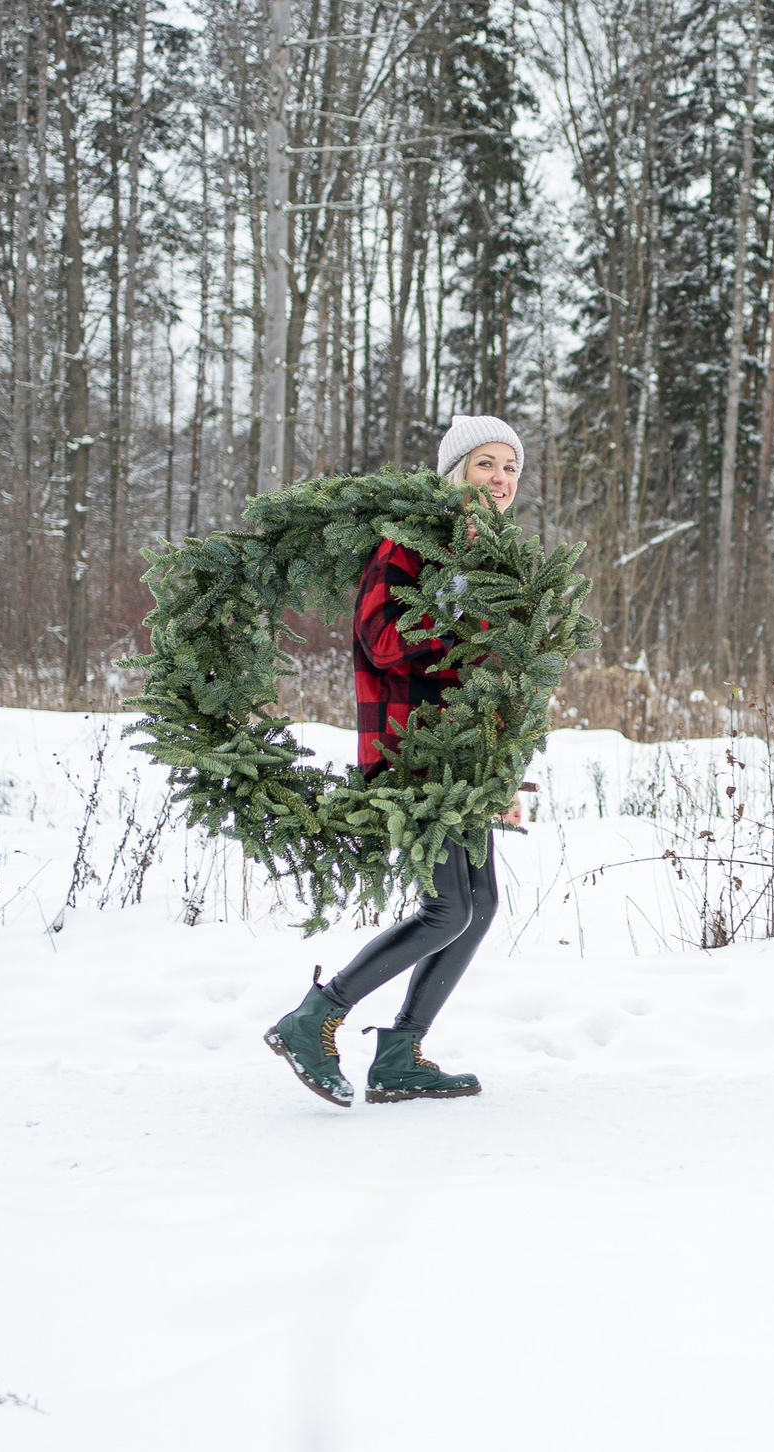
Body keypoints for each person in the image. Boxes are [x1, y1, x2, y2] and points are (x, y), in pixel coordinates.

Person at [265, 415, 529, 1108]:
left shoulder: (496, 562)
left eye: (510, 467)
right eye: (485, 464)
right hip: (409, 749)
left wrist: (500, 772)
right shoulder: (408, 544)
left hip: (465, 761)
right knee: (447, 909)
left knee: (481, 905)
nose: (500, 479)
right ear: (455, 472)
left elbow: (500, 675)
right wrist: (454, 604)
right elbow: (381, 639)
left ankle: (400, 1054)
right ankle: (313, 1017)